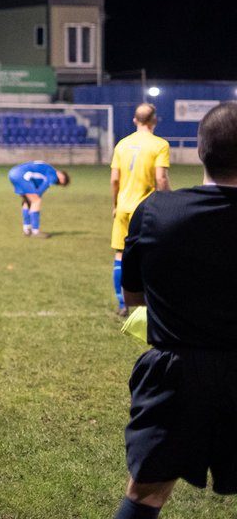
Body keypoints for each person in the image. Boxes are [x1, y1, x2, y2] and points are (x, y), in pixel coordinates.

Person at [114, 101, 237, 519]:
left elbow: (133, 299)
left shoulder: (155, 212)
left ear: (200, 151)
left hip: (175, 372)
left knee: (145, 493)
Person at [109, 104, 170, 316]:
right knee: (151, 254)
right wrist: (167, 203)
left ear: (135, 121)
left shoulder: (122, 145)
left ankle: (122, 304)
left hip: (124, 207)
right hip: (146, 210)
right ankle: (150, 303)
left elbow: (114, 180)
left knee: (120, 254)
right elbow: (161, 178)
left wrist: (115, 205)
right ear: (154, 121)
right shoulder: (159, 145)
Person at [6, 161, 70, 238]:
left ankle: (27, 229)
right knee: (36, 201)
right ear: (61, 175)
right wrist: (37, 196)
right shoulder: (53, 174)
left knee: (27, 201)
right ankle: (35, 231)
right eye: (60, 181)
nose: (57, 182)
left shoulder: (47, 168)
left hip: (13, 172)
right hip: (22, 176)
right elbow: (43, 186)